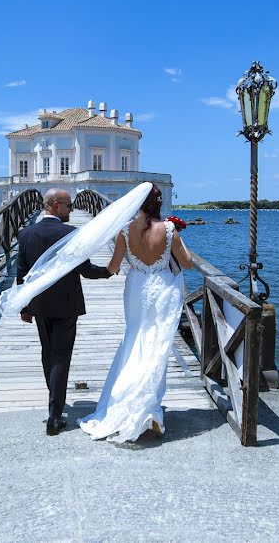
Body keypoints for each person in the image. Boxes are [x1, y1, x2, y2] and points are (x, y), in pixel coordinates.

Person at [78, 184, 192, 442]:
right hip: (162, 288)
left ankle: (128, 401)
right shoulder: (169, 229)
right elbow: (187, 263)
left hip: (136, 287)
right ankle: (149, 409)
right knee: (157, 343)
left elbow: (114, 266)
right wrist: (179, 240)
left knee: (134, 338)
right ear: (159, 203)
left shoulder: (124, 230)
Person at [15, 188, 113, 436]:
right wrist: (110, 270)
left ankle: (53, 398)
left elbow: (22, 274)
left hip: (39, 304)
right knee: (61, 357)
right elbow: (87, 270)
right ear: (56, 205)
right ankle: (54, 416)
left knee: (47, 352)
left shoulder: (26, 233)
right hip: (66, 304)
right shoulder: (71, 234)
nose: (71, 210)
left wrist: (24, 307)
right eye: (69, 206)